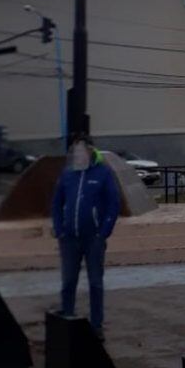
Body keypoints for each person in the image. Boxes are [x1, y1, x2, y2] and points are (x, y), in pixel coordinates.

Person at [51, 135, 120, 341]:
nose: (78, 155)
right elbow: (56, 203)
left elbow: (113, 204)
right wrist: (59, 229)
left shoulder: (103, 173)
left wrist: (103, 232)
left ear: (90, 151)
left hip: (94, 239)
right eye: (75, 151)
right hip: (70, 239)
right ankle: (67, 317)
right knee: (68, 281)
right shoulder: (67, 174)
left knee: (96, 282)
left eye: (81, 150)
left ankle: (96, 325)